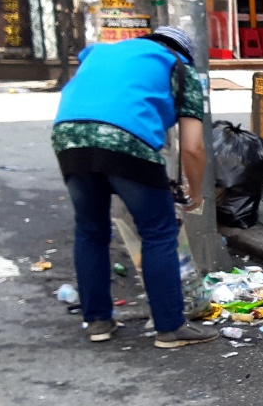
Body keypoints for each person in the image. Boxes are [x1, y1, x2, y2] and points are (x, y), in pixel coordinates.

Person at [52, 26, 220, 350]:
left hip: (69, 138)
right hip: (127, 141)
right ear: (185, 54)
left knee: (90, 231)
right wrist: (196, 192)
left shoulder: (101, 52)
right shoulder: (180, 68)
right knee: (158, 232)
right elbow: (193, 147)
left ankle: (98, 321)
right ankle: (170, 327)